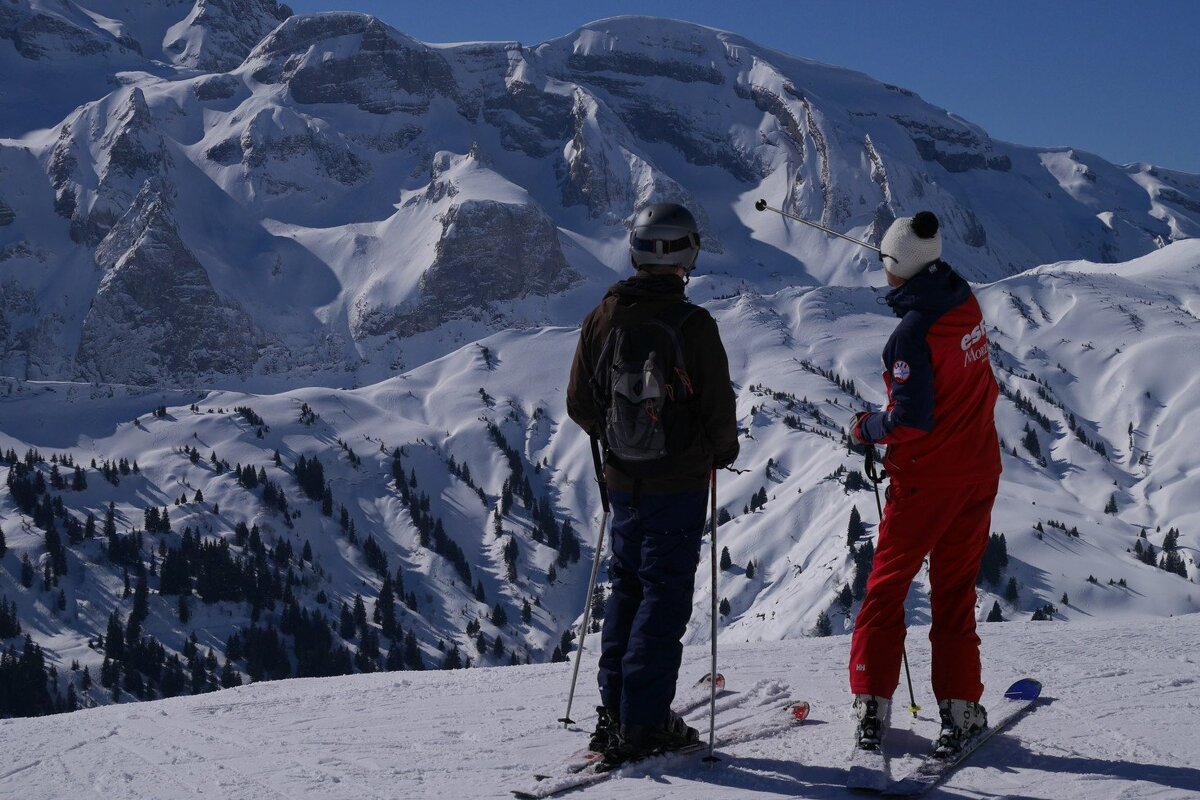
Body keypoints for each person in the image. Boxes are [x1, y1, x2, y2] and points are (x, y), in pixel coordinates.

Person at [566, 202, 738, 766]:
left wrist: (617, 442)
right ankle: (643, 723)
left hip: (622, 484)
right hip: (678, 486)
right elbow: (718, 410)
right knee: (663, 598)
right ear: (687, 254)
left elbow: (579, 403)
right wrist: (718, 451)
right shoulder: (694, 326)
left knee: (627, 590)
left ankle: (612, 713)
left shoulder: (603, 317)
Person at [847, 211, 1002, 759]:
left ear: (896, 268)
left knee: (886, 593)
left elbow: (910, 420)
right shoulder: (965, 305)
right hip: (978, 471)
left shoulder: (910, 337)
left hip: (925, 483)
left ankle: (871, 709)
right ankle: (961, 714)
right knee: (954, 596)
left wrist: (868, 428)